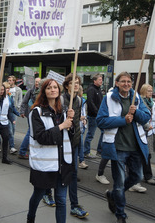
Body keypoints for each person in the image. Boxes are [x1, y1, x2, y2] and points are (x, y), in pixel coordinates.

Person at [96, 72, 151, 223]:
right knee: (120, 184)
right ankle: (121, 214)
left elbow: (146, 116)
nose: (126, 84)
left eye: (129, 81)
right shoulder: (109, 98)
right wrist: (123, 120)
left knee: (136, 177)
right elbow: (100, 121)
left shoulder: (137, 97)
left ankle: (112, 195)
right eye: (123, 81)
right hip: (118, 147)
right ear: (117, 83)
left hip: (135, 147)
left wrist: (136, 112)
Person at [26, 79, 75, 223]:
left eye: (55, 87)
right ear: (44, 91)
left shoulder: (64, 111)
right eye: (49, 88)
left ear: (59, 91)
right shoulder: (36, 112)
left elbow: (70, 136)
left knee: (61, 200)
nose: (53, 90)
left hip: (62, 163)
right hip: (45, 165)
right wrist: (61, 126)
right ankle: (30, 218)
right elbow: (41, 137)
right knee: (38, 194)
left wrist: (71, 124)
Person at [61, 74, 88, 219]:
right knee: (58, 172)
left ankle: (74, 205)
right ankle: (47, 193)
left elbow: (77, 122)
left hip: (75, 142)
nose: (76, 85)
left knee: (73, 173)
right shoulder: (60, 100)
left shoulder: (78, 100)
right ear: (67, 86)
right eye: (73, 83)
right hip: (62, 143)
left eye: (77, 83)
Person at [0, 82, 20, 164]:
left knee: (6, 139)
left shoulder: (7, 98)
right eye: (0, 90)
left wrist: (12, 118)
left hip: (4, 122)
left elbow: (9, 109)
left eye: (3, 90)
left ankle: (5, 158)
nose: (2, 91)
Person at [140, 83, 155, 186]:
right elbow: (138, 116)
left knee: (147, 155)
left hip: (150, 133)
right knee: (143, 155)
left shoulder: (153, 104)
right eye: (149, 91)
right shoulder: (140, 102)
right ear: (144, 91)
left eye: (151, 91)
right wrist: (146, 125)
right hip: (141, 132)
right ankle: (147, 176)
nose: (151, 93)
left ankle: (145, 174)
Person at [18, 77, 41, 159]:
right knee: (30, 131)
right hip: (31, 113)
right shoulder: (31, 91)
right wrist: (22, 111)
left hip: (38, 114)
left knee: (32, 131)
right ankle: (22, 151)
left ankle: (26, 148)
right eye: (36, 82)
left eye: (39, 82)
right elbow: (24, 101)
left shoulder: (42, 91)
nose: (37, 83)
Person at [84, 73, 103, 158]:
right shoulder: (91, 89)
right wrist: (97, 112)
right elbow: (90, 102)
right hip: (93, 116)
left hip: (99, 116)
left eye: (102, 79)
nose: (101, 81)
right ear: (95, 81)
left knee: (103, 131)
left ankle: (99, 150)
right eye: (99, 79)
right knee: (90, 134)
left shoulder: (99, 89)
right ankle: (86, 152)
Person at [7, 75, 23, 154]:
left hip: (14, 110)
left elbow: (20, 99)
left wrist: (18, 108)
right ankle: (11, 144)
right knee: (9, 128)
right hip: (7, 110)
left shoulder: (18, 89)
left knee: (13, 127)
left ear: (14, 81)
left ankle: (11, 140)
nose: (9, 82)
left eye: (10, 80)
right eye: (8, 80)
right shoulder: (7, 88)